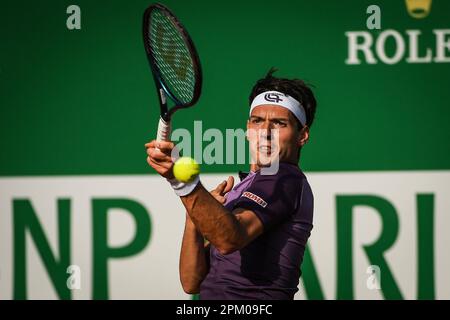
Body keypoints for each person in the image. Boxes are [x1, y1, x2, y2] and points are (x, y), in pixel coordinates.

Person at [145, 69, 317, 299]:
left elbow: (229, 239)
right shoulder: (244, 188)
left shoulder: (285, 178)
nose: (265, 132)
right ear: (247, 129)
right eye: (257, 121)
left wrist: (183, 183)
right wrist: (194, 216)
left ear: (302, 135)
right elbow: (191, 281)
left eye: (278, 123)